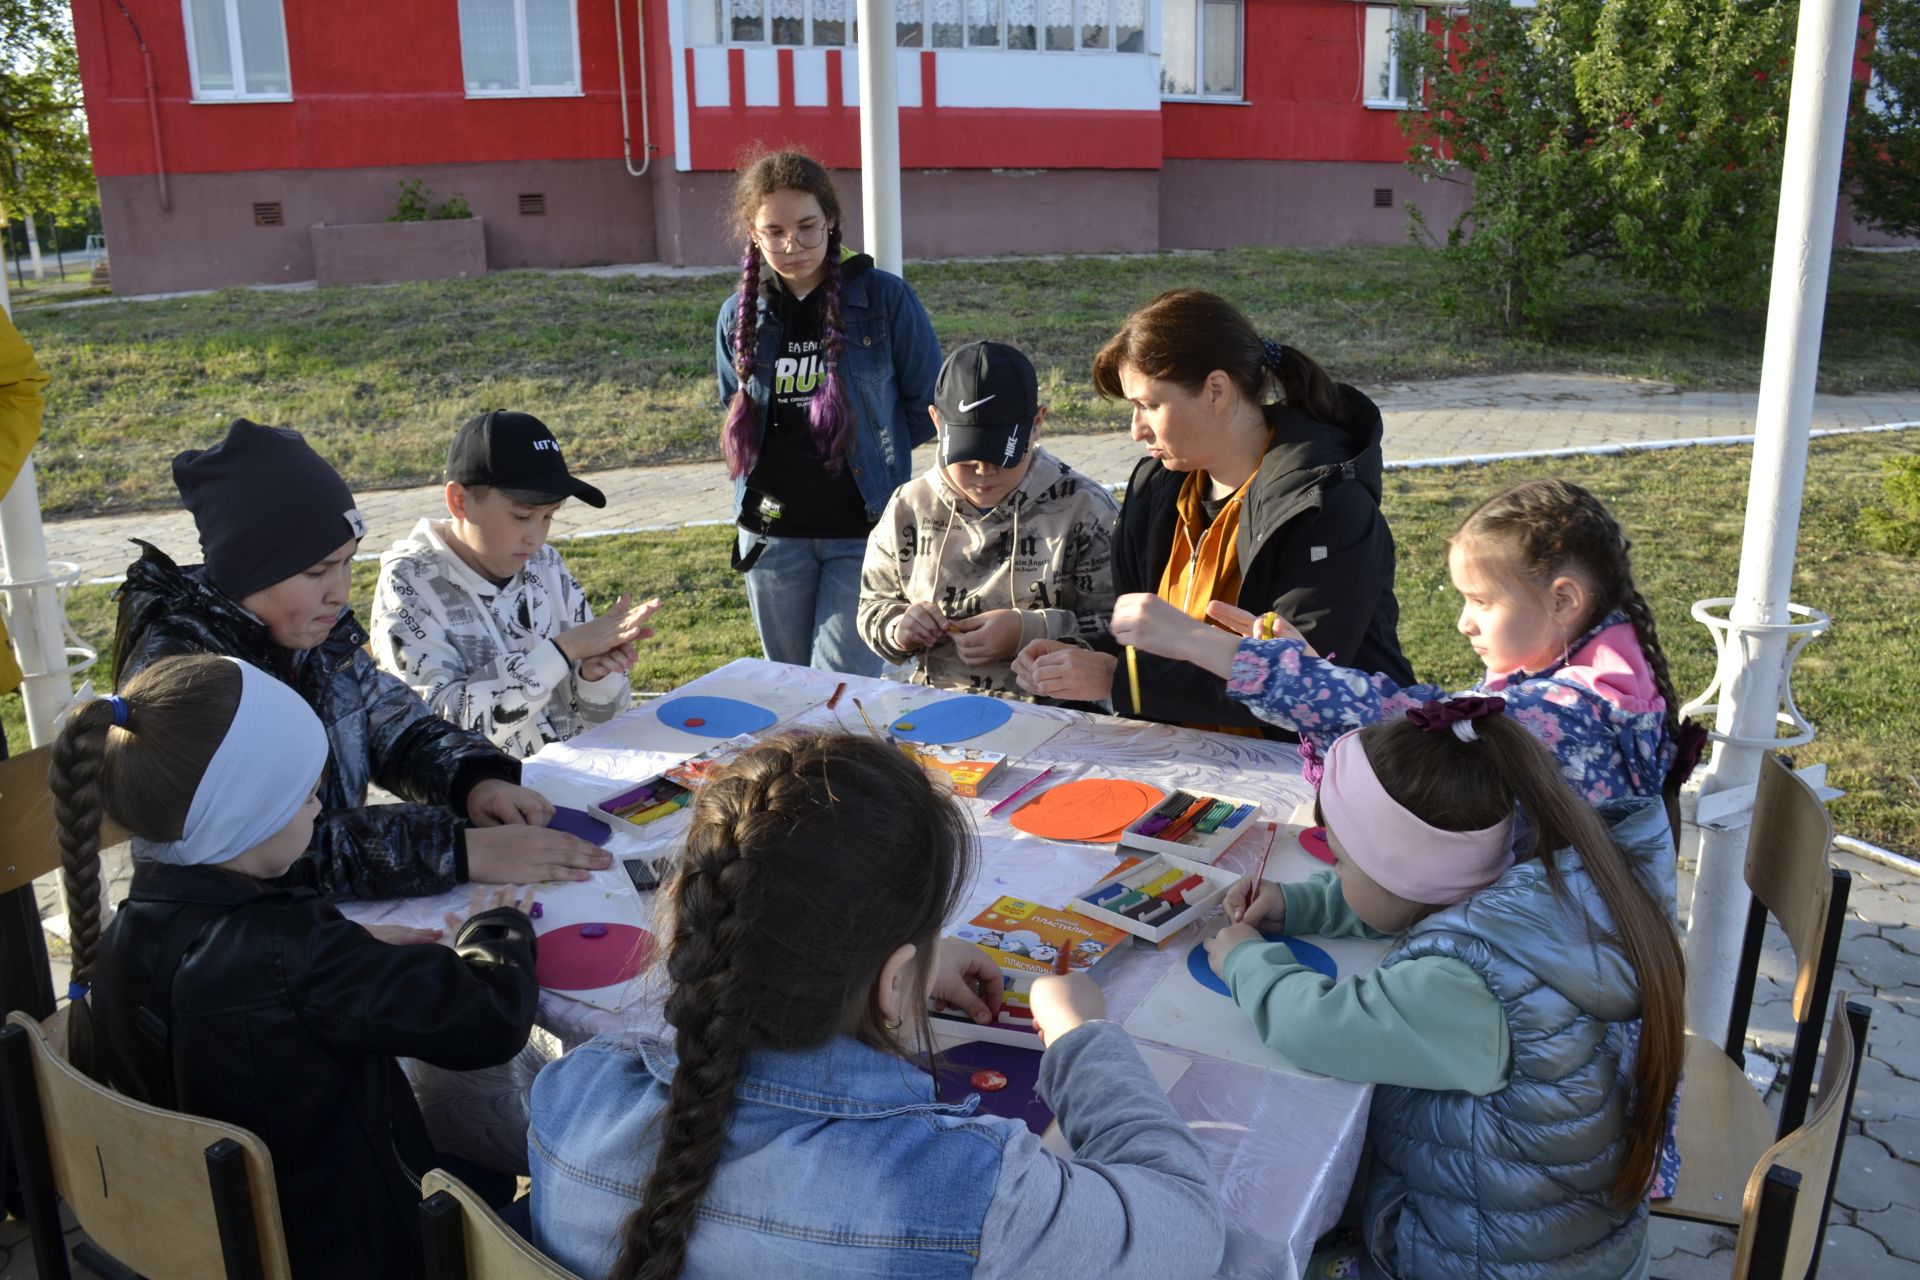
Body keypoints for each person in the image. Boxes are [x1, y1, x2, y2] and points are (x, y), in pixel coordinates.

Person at [529, 734, 1226, 1280]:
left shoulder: (573, 1092)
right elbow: (1188, 1230)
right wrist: (1082, 1038)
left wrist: (900, 965)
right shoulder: (964, 1195)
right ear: (895, 984)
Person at [55, 654, 541, 1280]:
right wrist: (498, 926)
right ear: (244, 814)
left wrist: (348, 942)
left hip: (222, 1242)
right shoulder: (295, 952)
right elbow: (489, 1021)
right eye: (306, 793)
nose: (319, 810)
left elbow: (266, 981)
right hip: (360, 1249)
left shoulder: (124, 933)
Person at [1206, 700, 1684, 1278]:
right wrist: (1295, 904)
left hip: (1491, 1260)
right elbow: (1404, 901)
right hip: (1541, 1228)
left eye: (1339, 862)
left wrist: (1244, 960)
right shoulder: (1526, 894)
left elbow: (1320, 1028)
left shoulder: (1467, 987)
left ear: (1401, 870)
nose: (1333, 873)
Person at [113, 417, 610, 898]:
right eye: (317, 572)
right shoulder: (186, 678)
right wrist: (455, 850)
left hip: (316, 918)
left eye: (348, 562)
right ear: (248, 572)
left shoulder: (314, 633)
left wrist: (474, 780)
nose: (339, 593)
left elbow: (395, 727)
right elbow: (265, 852)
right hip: (241, 935)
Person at [1109, 476, 1704, 814]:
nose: (1464, 624)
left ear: (1564, 599)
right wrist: (1311, 672)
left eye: (1483, 601)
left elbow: (1415, 727)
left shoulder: (1572, 722)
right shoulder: (1585, 673)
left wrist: (1195, 643)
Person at [1013, 288, 1412, 734]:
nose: (1135, 430)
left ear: (1216, 390)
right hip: (1195, 753)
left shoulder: (1326, 504)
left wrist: (1119, 680)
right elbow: (1148, 632)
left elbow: (1305, 685)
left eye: (1149, 405)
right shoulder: (1156, 488)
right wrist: (1080, 654)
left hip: (1325, 763)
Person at [717, 149, 942, 677]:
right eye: (774, 231)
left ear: (833, 222)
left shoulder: (884, 299)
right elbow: (732, 403)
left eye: (807, 227)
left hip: (859, 532)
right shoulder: (738, 315)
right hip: (771, 537)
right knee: (791, 686)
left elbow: (923, 404)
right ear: (753, 233)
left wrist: (875, 450)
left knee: (839, 689)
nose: (791, 246)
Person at [371, 409, 658, 758]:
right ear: (460, 502)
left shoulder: (546, 564)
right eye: (522, 516)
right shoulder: (410, 583)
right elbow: (437, 730)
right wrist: (561, 651)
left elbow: (604, 719)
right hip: (483, 807)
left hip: (575, 781)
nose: (536, 538)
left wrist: (596, 679)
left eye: (549, 516)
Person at [857, 340, 1119, 698]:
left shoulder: (1085, 509)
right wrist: (899, 627)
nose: (984, 472)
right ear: (936, 422)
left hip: (1057, 715)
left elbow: (1119, 628)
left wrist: (1027, 630)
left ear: (1037, 424)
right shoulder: (909, 506)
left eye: (1002, 456)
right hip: (935, 706)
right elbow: (873, 606)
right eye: (967, 458)